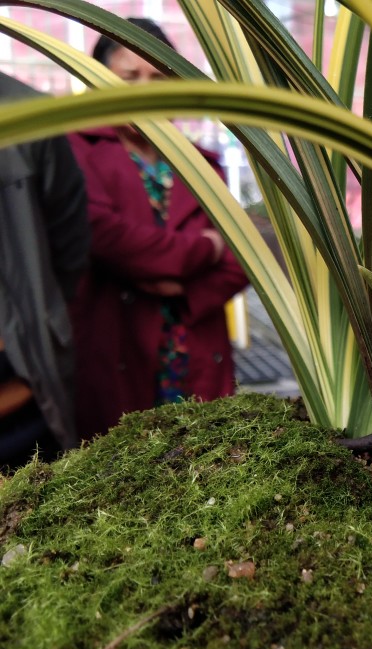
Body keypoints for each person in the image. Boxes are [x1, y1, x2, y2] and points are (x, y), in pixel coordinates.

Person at [68, 18, 249, 440]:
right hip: (113, 346)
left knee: (203, 467)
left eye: (157, 77)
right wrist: (205, 249)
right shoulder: (73, 150)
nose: (144, 90)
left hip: (196, 348)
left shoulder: (204, 164)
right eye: (129, 76)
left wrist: (181, 289)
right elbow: (105, 236)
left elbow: (245, 256)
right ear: (97, 80)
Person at [0, 72, 91, 471]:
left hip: (19, 372)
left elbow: (69, 241)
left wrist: (38, 310)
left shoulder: (30, 114)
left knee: (28, 501)